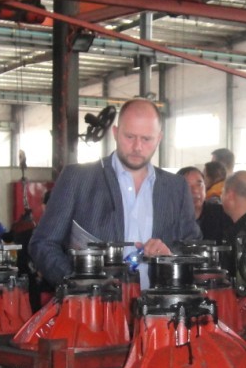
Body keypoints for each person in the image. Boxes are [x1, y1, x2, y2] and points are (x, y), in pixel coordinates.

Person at [29, 98, 201, 289]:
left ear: (159, 138)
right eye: (130, 137)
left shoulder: (176, 187)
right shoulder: (77, 179)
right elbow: (43, 244)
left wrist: (171, 256)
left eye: (146, 139)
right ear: (115, 133)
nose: (137, 147)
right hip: (93, 305)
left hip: (160, 305)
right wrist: (79, 286)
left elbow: (192, 247)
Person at [177, 166, 232, 244]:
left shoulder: (221, 215)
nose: (195, 190)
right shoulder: (170, 217)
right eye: (188, 186)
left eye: (199, 185)